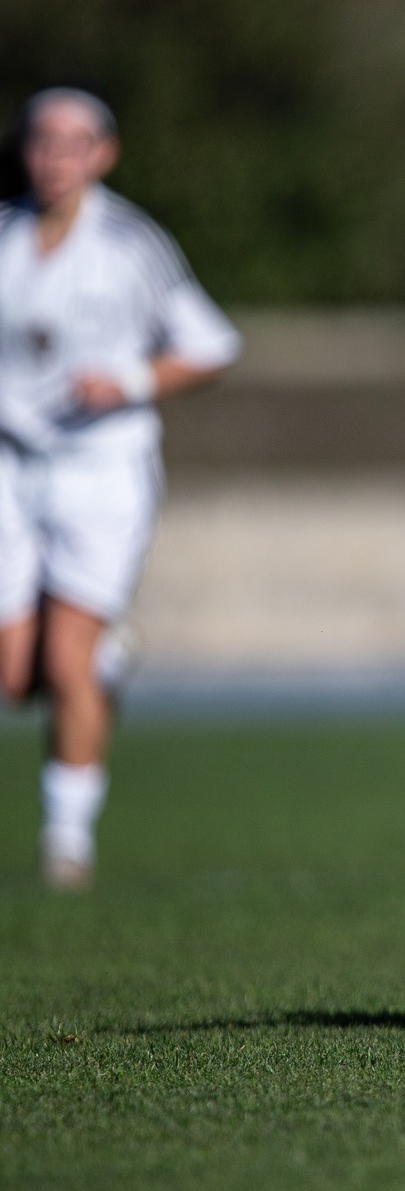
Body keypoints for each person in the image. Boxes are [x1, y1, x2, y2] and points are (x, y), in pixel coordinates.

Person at [0, 88, 241, 889]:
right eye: (41, 139)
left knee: (65, 659)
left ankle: (66, 840)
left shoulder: (131, 242)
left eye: (73, 143)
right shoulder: (5, 236)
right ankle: (104, 659)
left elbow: (210, 343)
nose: (54, 156)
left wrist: (131, 378)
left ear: (101, 154)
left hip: (101, 468)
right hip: (12, 465)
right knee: (15, 673)